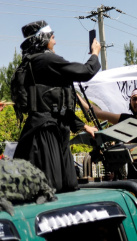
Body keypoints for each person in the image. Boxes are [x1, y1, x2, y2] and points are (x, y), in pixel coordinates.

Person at [14, 20, 100, 192]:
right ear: (44, 39)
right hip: (45, 132)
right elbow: (85, 72)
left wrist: (83, 126)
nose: (55, 41)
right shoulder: (45, 59)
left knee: (67, 184)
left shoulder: (37, 62)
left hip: (50, 128)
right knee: (54, 186)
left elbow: (54, 103)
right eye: (53, 37)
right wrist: (95, 55)